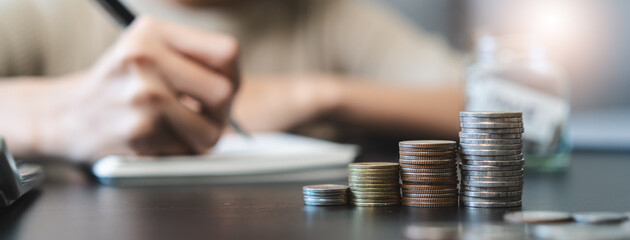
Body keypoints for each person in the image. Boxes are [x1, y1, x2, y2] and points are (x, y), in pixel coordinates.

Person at [0, 0, 464, 162]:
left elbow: (508, 105)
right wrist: (57, 116)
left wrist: (312, 95)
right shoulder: (46, 14)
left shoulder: (326, 17)